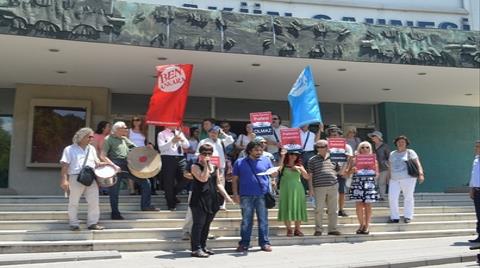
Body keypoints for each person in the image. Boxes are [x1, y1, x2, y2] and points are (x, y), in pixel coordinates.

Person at [101, 121, 158, 220]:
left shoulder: (124, 139)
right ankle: (115, 213)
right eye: (125, 127)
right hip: (115, 166)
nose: (127, 129)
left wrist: (146, 148)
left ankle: (145, 206)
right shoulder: (108, 139)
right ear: (117, 129)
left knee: (145, 183)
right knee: (114, 191)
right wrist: (114, 166)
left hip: (127, 165)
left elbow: (136, 149)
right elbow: (102, 156)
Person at [232, 140, 277, 252]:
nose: (259, 152)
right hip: (246, 195)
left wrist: (274, 174)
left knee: (263, 220)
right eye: (256, 150)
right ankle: (244, 243)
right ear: (249, 150)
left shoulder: (266, 160)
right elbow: (234, 180)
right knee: (247, 221)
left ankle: (265, 243)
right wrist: (235, 194)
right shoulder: (239, 162)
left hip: (262, 195)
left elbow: (272, 174)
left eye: (261, 150)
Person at [190, 144, 233, 257]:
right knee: (198, 224)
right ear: (200, 154)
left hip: (212, 198)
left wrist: (227, 197)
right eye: (204, 154)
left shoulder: (215, 166)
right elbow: (203, 179)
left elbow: (218, 183)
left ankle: (203, 246)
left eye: (209, 154)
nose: (207, 156)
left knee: (207, 224)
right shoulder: (195, 166)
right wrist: (205, 165)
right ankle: (195, 249)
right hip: (199, 198)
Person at [60, 127, 108, 231]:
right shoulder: (69, 149)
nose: (92, 138)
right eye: (90, 136)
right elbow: (65, 166)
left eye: (92, 136)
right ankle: (73, 223)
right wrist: (64, 180)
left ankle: (92, 223)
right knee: (74, 202)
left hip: (90, 177)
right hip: (75, 176)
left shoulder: (91, 149)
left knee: (94, 201)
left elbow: (97, 163)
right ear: (82, 137)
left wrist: (108, 165)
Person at [307, 139, 342, 236]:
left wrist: (348, 161)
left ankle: (332, 229)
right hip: (319, 187)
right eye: (318, 147)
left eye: (322, 146)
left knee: (334, 209)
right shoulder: (312, 160)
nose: (320, 149)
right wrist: (311, 189)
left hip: (333, 185)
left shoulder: (334, 158)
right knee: (318, 209)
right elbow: (310, 175)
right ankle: (318, 229)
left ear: (327, 147)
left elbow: (339, 172)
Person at [388, 135, 425, 223]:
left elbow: (417, 163)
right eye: (399, 142)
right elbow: (390, 166)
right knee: (392, 197)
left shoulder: (410, 152)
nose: (401, 144)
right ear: (396, 143)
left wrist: (421, 174)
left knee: (408, 197)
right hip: (394, 179)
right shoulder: (392, 153)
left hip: (408, 178)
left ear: (406, 144)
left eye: (403, 142)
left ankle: (408, 216)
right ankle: (394, 217)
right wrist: (389, 177)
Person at [345, 141, 379, 234]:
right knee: (359, 206)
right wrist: (352, 170)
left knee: (368, 206)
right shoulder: (353, 160)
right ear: (359, 149)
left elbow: (377, 174)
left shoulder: (374, 160)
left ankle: (367, 226)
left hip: (369, 184)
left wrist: (373, 171)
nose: (365, 149)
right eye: (363, 147)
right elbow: (346, 173)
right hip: (357, 183)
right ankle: (361, 225)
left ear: (370, 149)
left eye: (367, 147)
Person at [277, 148, 309, 237]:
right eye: (291, 154)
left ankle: (297, 229)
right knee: (286, 207)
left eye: (295, 155)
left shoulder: (299, 165)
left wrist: (300, 169)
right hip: (285, 189)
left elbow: (307, 177)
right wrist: (282, 156)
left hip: (297, 189)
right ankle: (289, 229)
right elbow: (277, 170)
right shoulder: (283, 165)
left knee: (298, 207)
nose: (293, 156)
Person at [157, 126, 190, 211]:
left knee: (187, 176)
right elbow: (161, 148)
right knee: (169, 181)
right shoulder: (162, 134)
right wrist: (172, 141)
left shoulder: (179, 132)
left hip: (180, 157)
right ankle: (170, 203)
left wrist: (182, 139)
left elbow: (187, 146)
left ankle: (172, 193)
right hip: (167, 157)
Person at [326, 125, 353, 217]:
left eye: (335, 135)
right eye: (331, 135)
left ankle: (341, 209)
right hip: (330, 170)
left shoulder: (347, 146)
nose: (333, 137)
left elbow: (350, 159)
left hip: (342, 171)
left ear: (340, 136)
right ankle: (330, 208)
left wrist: (347, 171)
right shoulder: (326, 145)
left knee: (341, 191)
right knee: (329, 191)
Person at [128, 116, 149, 195]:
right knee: (131, 171)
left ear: (141, 121)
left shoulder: (143, 131)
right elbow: (125, 142)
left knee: (142, 171)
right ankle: (132, 190)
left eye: (138, 120)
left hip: (142, 153)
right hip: (132, 152)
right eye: (134, 120)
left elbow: (145, 143)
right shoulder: (129, 131)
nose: (136, 122)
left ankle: (141, 189)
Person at [368, 131, 390, 201]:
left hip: (383, 167)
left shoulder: (385, 146)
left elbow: (389, 156)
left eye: (373, 136)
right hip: (372, 167)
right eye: (372, 136)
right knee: (374, 181)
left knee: (382, 182)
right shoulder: (371, 146)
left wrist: (386, 164)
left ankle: (382, 196)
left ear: (378, 137)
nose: (372, 138)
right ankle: (374, 195)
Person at [93, 121, 111, 195]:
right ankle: (98, 192)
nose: (110, 128)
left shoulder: (108, 137)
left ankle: (105, 191)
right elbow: (94, 149)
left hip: (108, 160)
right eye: (108, 127)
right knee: (99, 177)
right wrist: (98, 160)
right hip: (99, 160)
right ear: (103, 128)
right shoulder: (96, 136)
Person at [468, 141, 480, 243]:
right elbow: (473, 176)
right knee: (479, 214)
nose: (475, 148)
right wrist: (471, 189)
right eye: (475, 146)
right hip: (476, 191)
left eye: (477, 147)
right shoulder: (476, 160)